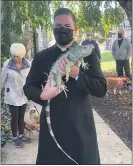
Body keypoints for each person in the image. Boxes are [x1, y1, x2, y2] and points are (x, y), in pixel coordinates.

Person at [23, 8, 107, 165]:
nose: (62, 30)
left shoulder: (87, 54)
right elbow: (28, 87)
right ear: (53, 28)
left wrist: (77, 74)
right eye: (58, 26)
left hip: (81, 127)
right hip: (52, 128)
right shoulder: (42, 57)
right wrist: (42, 95)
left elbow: (101, 88)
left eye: (67, 26)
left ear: (75, 30)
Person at [1, 43, 31, 148]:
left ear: (22, 55)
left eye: (17, 56)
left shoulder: (28, 64)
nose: (15, 58)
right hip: (12, 95)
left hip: (23, 95)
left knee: (21, 115)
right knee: (15, 116)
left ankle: (22, 135)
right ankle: (15, 137)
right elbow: (2, 80)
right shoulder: (7, 64)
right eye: (13, 56)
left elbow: (31, 79)